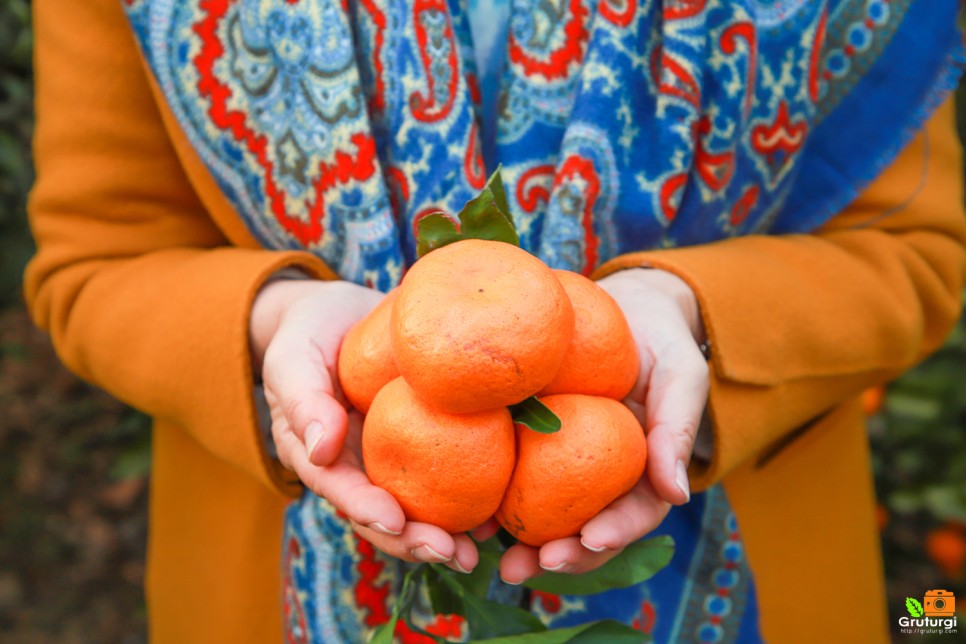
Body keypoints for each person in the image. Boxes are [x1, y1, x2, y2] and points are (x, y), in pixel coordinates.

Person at [24, 0, 966, 641]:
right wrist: (278, 320)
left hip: (754, 567)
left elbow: (916, 254)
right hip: (267, 585)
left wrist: (692, 315)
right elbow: (92, 261)